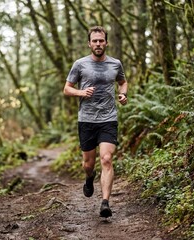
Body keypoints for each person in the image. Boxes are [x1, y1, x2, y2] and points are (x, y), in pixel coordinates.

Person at [63, 26, 128, 218]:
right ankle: (89, 178)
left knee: (107, 159)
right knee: (88, 164)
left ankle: (105, 203)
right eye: (95, 41)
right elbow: (67, 88)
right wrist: (81, 92)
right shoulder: (80, 64)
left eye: (101, 41)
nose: (98, 44)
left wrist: (123, 94)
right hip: (86, 120)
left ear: (106, 42)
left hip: (108, 119)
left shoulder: (115, 64)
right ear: (89, 43)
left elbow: (122, 82)